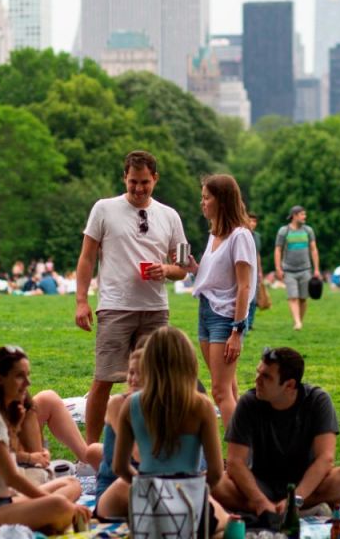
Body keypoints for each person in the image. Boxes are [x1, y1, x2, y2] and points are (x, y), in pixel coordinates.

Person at [74, 150, 188, 445]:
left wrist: (167, 269)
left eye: (145, 182)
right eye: (133, 182)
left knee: (154, 381)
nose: (138, 189)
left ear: (155, 180)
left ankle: (146, 444)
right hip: (114, 306)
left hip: (155, 309)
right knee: (104, 378)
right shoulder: (103, 209)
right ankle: (92, 449)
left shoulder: (170, 216)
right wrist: (81, 300)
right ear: (124, 177)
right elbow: (87, 258)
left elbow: (184, 267)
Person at [212, 346, 340, 517]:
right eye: (258, 373)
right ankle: (286, 511)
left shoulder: (317, 401)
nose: (257, 380)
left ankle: (283, 509)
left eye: (266, 377)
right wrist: (259, 500)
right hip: (260, 484)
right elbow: (235, 462)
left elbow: (325, 458)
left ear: (289, 385)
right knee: (212, 481)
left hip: (306, 485)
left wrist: (296, 498)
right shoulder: (248, 403)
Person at [0, 345, 89, 534]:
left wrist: (14, 429)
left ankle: (49, 521)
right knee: (59, 505)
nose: (27, 383)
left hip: (2, 500)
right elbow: (11, 477)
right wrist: (61, 505)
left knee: (71, 483)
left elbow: (7, 461)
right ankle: (52, 521)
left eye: (27, 375)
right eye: (19, 376)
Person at [112, 327, 228, 532]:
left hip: (146, 508)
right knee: (229, 525)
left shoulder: (131, 405)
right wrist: (193, 488)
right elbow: (217, 472)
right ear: (189, 362)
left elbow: (119, 467)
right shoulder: (201, 406)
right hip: (190, 504)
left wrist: (147, 487)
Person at [189, 174, 255, 429]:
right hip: (206, 311)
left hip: (225, 318)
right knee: (229, 388)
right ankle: (246, 449)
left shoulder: (240, 236)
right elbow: (213, 277)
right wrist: (193, 267)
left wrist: (237, 330)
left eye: (207, 198)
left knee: (220, 391)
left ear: (223, 201)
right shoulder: (215, 234)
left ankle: (238, 457)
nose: (202, 203)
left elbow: (244, 286)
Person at [93, 344, 145, 520]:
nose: (133, 379)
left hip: (153, 485)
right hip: (115, 487)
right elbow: (139, 455)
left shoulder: (161, 407)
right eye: (131, 372)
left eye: (141, 373)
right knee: (129, 485)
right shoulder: (118, 404)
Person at [274, 205, 321, 331]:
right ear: (294, 215)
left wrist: (316, 269)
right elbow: (278, 250)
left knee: (303, 298)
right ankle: (297, 322)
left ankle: (299, 320)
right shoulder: (284, 231)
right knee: (292, 296)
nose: (304, 217)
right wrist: (278, 268)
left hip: (305, 269)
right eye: (302, 215)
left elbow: (313, 249)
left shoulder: (308, 231)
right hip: (288, 270)